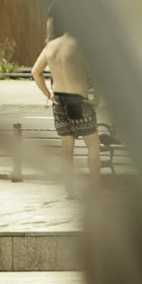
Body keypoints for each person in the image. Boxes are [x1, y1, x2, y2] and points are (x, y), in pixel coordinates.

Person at [31, 23, 100, 198]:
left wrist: (49, 94)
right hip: (78, 100)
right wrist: (96, 98)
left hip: (59, 100)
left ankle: (69, 190)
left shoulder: (51, 46)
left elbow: (35, 72)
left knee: (67, 147)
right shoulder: (81, 45)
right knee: (93, 146)